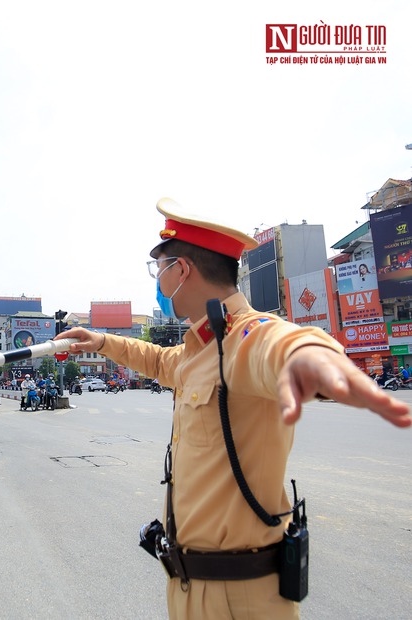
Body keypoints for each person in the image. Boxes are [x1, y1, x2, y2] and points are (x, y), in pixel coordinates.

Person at [56, 198, 410, 619]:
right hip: (191, 587)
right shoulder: (200, 349)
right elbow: (152, 358)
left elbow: (286, 345)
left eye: (160, 270)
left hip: (239, 598)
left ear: (181, 271)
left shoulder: (246, 337)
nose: (159, 283)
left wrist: (318, 361)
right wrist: (100, 342)